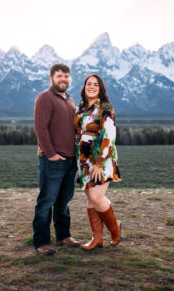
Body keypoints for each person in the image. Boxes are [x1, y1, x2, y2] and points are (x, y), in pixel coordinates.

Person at [33, 63, 80, 255]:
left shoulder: (69, 99)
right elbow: (40, 128)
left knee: (64, 201)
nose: (63, 79)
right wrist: (51, 154)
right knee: (47, 201)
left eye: (66, 76)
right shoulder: (45, 98)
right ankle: (41, 242)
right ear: (51, 78)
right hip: (53, 160)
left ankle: (63, 236)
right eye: (59, 76)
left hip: (70, 159)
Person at [74, 74, 121, 250]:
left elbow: (109, 136)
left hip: (100, 158)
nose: (91, 86)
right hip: (83, 160)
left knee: (96, 196)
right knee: (90, 199)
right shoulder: (80, 108)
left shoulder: (105, 108)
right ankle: (97, 238)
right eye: (88, 83)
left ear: (100, 88)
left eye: (95, 84)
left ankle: (115, 230)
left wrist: (99, 162)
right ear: (84, 87)